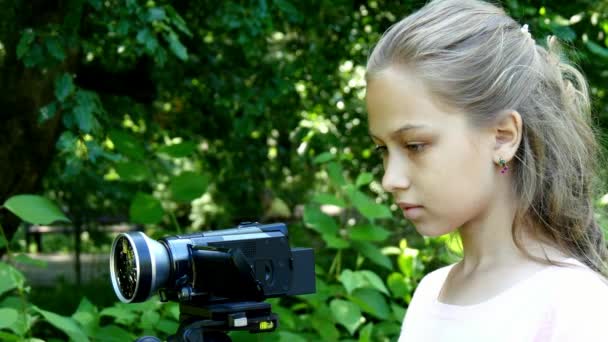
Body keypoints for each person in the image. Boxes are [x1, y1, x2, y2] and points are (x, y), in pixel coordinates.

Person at [365, 0, 608, 340]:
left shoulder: (576, 305)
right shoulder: (430, 293)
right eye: (382, 149)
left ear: (503, 137)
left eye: (415, 145)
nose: (390, 179)